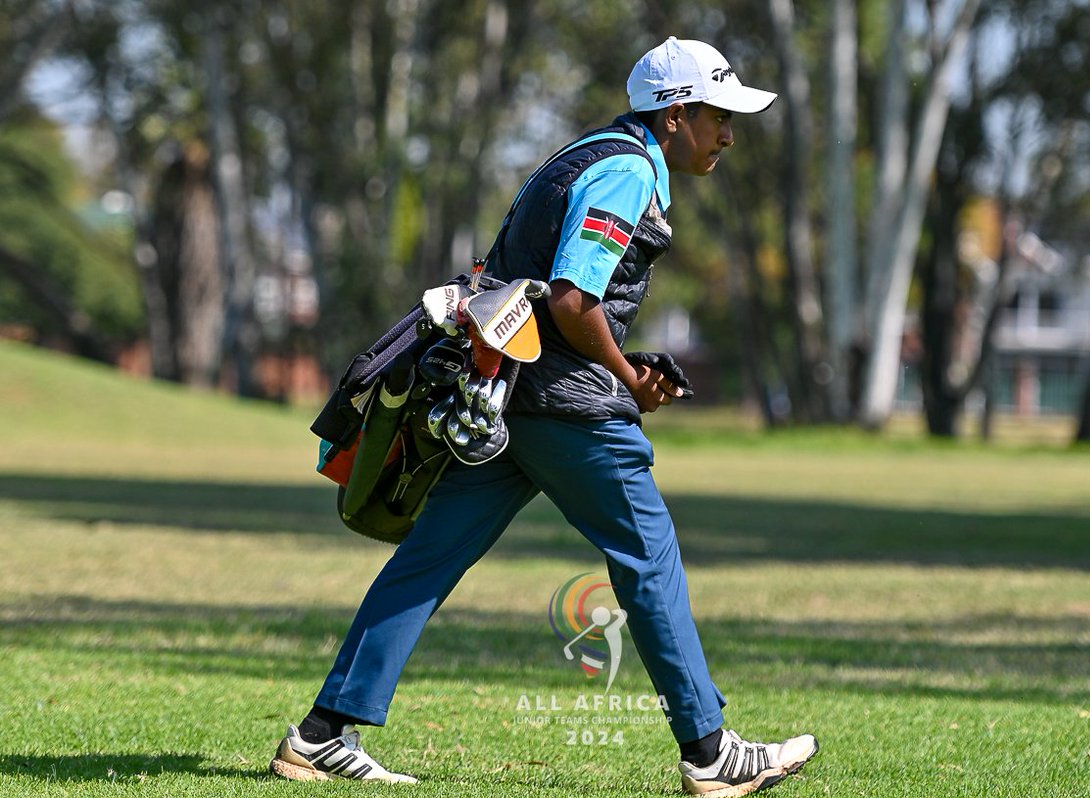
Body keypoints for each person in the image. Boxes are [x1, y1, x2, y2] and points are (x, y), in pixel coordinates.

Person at [269, 36, 819, 796]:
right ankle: (710, 753)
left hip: (505, 396)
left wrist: (624, 362)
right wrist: (628, 379)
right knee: (648, 559)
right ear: (677, 114)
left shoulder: (585, 153)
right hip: (565, 407)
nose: (729, 134)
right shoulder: (627, 171)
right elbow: (570, 300)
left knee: (429, 559)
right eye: (721, 117)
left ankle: (323, 733)